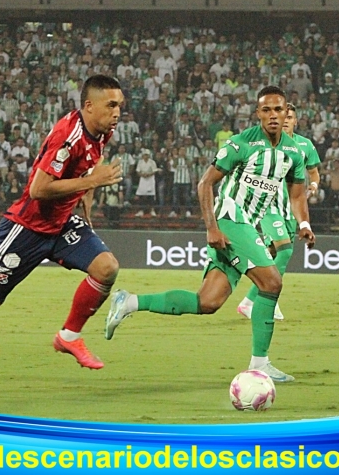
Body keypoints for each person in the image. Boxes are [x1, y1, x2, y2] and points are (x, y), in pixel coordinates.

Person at [0, 75, 125, 396]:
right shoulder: (67, 136)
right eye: (111, 105)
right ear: (89, 106)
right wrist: (92, 183)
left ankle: (69, 337)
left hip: (61, 225)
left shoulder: (103, 130)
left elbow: (91, 164)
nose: (117, 113)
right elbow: (39, 189)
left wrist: (86, 203)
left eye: (120, 106)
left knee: (106, 268)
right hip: (27, 228)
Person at [104, 86, 315, 383]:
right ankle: (259, 364)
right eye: (266, 110)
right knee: (272, 282)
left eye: (278, 110)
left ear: (287, 114)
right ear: (257, 114)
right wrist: (212, 227)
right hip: (230, 220)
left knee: (208, 302)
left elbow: (297, 195)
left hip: (244, 226)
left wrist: (303, 224)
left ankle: (129, 302)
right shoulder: (240, 145)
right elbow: (205, 183)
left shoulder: (293, 152)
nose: (272, 116)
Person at [236, 102, 321, 321]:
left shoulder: (304, 146)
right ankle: (269, 300)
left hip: (290, 209)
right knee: (284, 251)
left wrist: (313, 187)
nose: (286, 121)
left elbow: (314, 173)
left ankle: (248, 302)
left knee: (272, 254)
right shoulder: (266, 143)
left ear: (295, 121)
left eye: (290, 117)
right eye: (284, 116)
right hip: (269, 206)